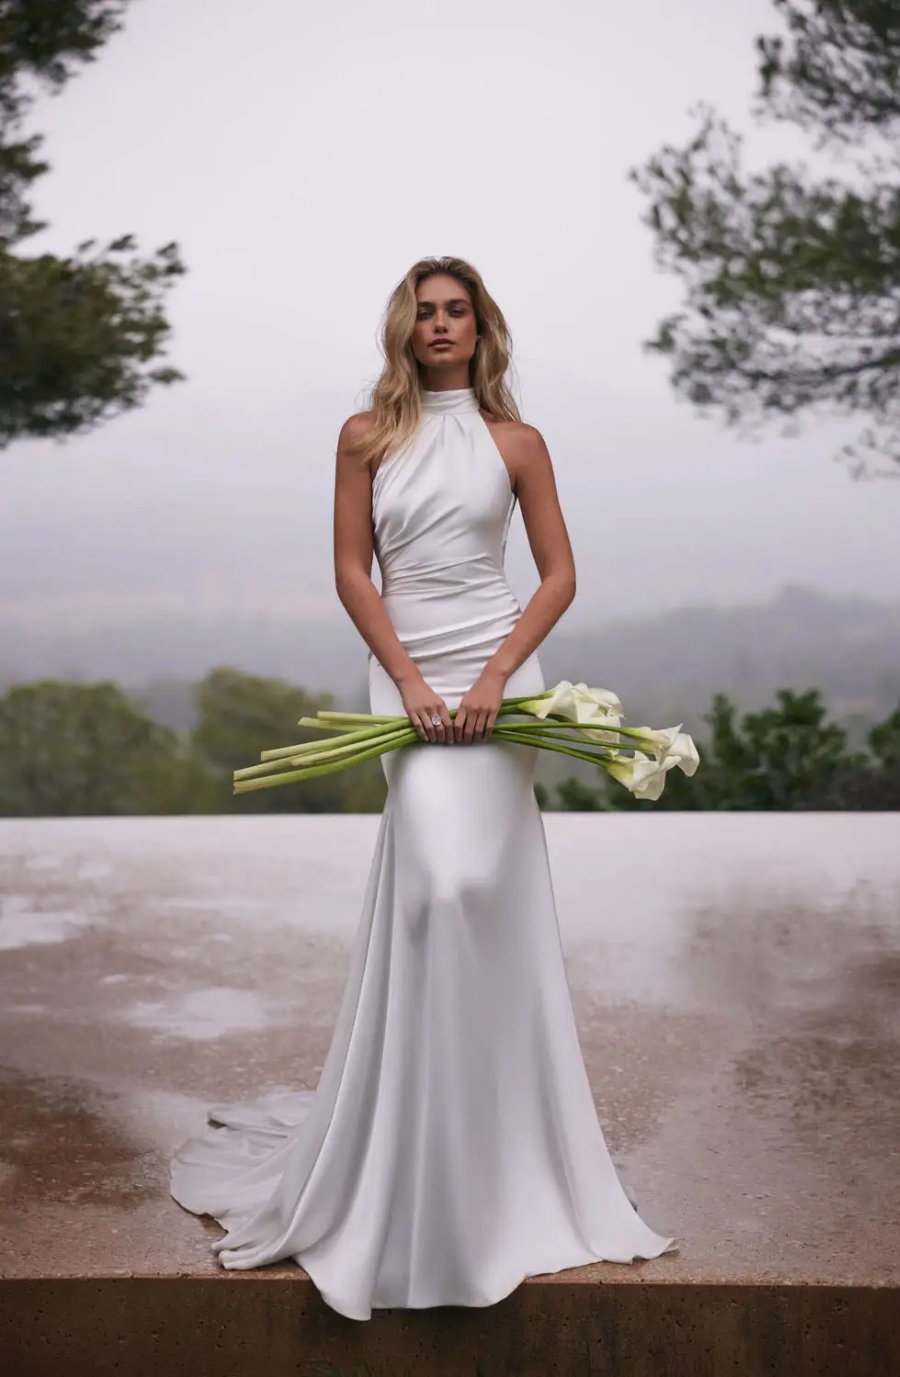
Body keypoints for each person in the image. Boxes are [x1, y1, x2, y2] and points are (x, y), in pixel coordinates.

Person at [170, 255, 677, 1320]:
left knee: (478, 899)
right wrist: (406, 679)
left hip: (502, 677)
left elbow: (558, 575)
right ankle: (410, 1161)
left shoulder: (517, 443)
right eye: (424, 312)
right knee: (434, 891)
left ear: (482, 329)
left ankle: (501, 1159)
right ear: (403, 328)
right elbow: (355, 571)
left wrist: (497, 675)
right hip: (406, 672)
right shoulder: (366, 435)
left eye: (457, 311)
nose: (440, 325)